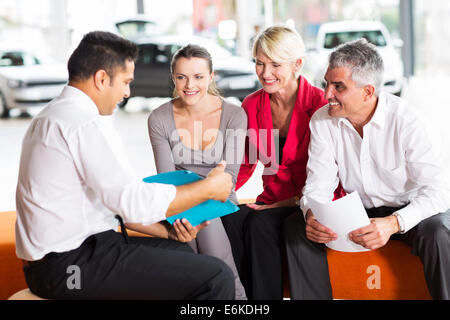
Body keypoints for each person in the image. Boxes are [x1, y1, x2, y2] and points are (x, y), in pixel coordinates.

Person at [15, 31, 236, 300]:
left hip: (69, 258)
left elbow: (112, 201)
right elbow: (131, 200)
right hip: (69, 269)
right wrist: (209, 188)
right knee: (216, 276)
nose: (127, 92)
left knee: (180, 251)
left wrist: (166, 232)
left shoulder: (53, 116)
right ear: (101, 79)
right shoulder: (83, 123)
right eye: (125, 82)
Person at [284, 38, 450, 300]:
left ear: (368, 92)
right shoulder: (323, 120)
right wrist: (312, 212)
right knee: (298, 225)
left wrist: (393, 223)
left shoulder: (409, 121)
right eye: (326, 83)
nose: (327, 94)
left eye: (338, 86)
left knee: (439, 230)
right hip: (358, 212)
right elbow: (318, 186)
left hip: (410, 211)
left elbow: (439, 191)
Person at [221, 25, 343, 300]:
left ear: (298, 64)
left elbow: (332, 177)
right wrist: (215, 195)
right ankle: (239, 299)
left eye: (275, 64)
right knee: (228, 218)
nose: (265, 73)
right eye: (259, 63)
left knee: (258, 225)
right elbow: (241, 164)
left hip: (313, 203)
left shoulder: (320, 105)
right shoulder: (251, 105)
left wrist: (283, 204)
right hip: (271, 200)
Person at [146, 44, 248, 300]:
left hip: (221, 198)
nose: (189, 84)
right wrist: (196, 192)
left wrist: (204, 190)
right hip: (179, 201)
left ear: (211, 76)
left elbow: (229, 179)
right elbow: (167, 182)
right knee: (191, 228)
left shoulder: (234, 115)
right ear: (174, 78)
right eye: (182, 77)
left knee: (204, 223)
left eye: (198, 77)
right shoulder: (159, 118)